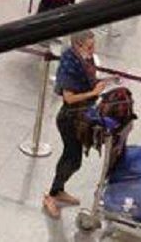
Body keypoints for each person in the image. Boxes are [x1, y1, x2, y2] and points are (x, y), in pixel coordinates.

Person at [42, 30, 105, 218]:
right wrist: (94, 93)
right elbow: (69, 98)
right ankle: (52, 194)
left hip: (81, 115)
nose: (93, 50)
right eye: (89, 46)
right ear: (78, 45)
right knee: (71, 158)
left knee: (73, 159)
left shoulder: (85, 59)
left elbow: (89, 81)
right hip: (69, 118)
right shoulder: (69, 63)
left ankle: (58, 189)